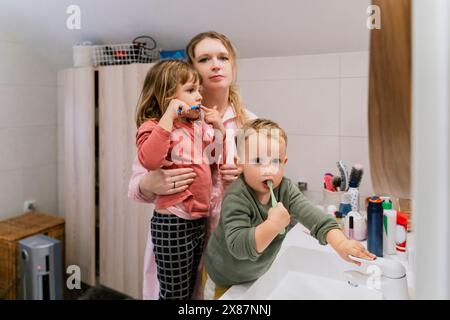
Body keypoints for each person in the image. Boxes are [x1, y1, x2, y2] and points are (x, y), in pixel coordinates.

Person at [128, 31, 257, 299]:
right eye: (204, 59)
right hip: (177, 230)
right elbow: (137, 183)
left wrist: (247, 178)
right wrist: (147, 183)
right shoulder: (170, 123)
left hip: (225, 243)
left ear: (233, 65)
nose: (215, 64)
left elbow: (270, 184)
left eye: (223, 57)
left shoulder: (250, 124)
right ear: (191, 69)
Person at [201, 119, 376, 299]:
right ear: (240, 164)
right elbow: (239, 247)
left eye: (275, 161)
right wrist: (272, 225)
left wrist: (342, 244)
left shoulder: (285, 189)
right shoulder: (236, 197)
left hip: (254, 275)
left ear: (284, 162)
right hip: (224, 279)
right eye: (258, 161)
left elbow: (316, 219)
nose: (268, 169)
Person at [135, 59, 227, 299]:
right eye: (190, 90)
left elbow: (214, 159)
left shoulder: (194, 127)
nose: (199, 96)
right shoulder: (154, 127)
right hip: (173, 222)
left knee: (188, 288)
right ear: (167, 97)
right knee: (174, 293)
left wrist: (218, 130)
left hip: (197, 220)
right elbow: (150, 160)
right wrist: (168, 117)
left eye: (198, 89)